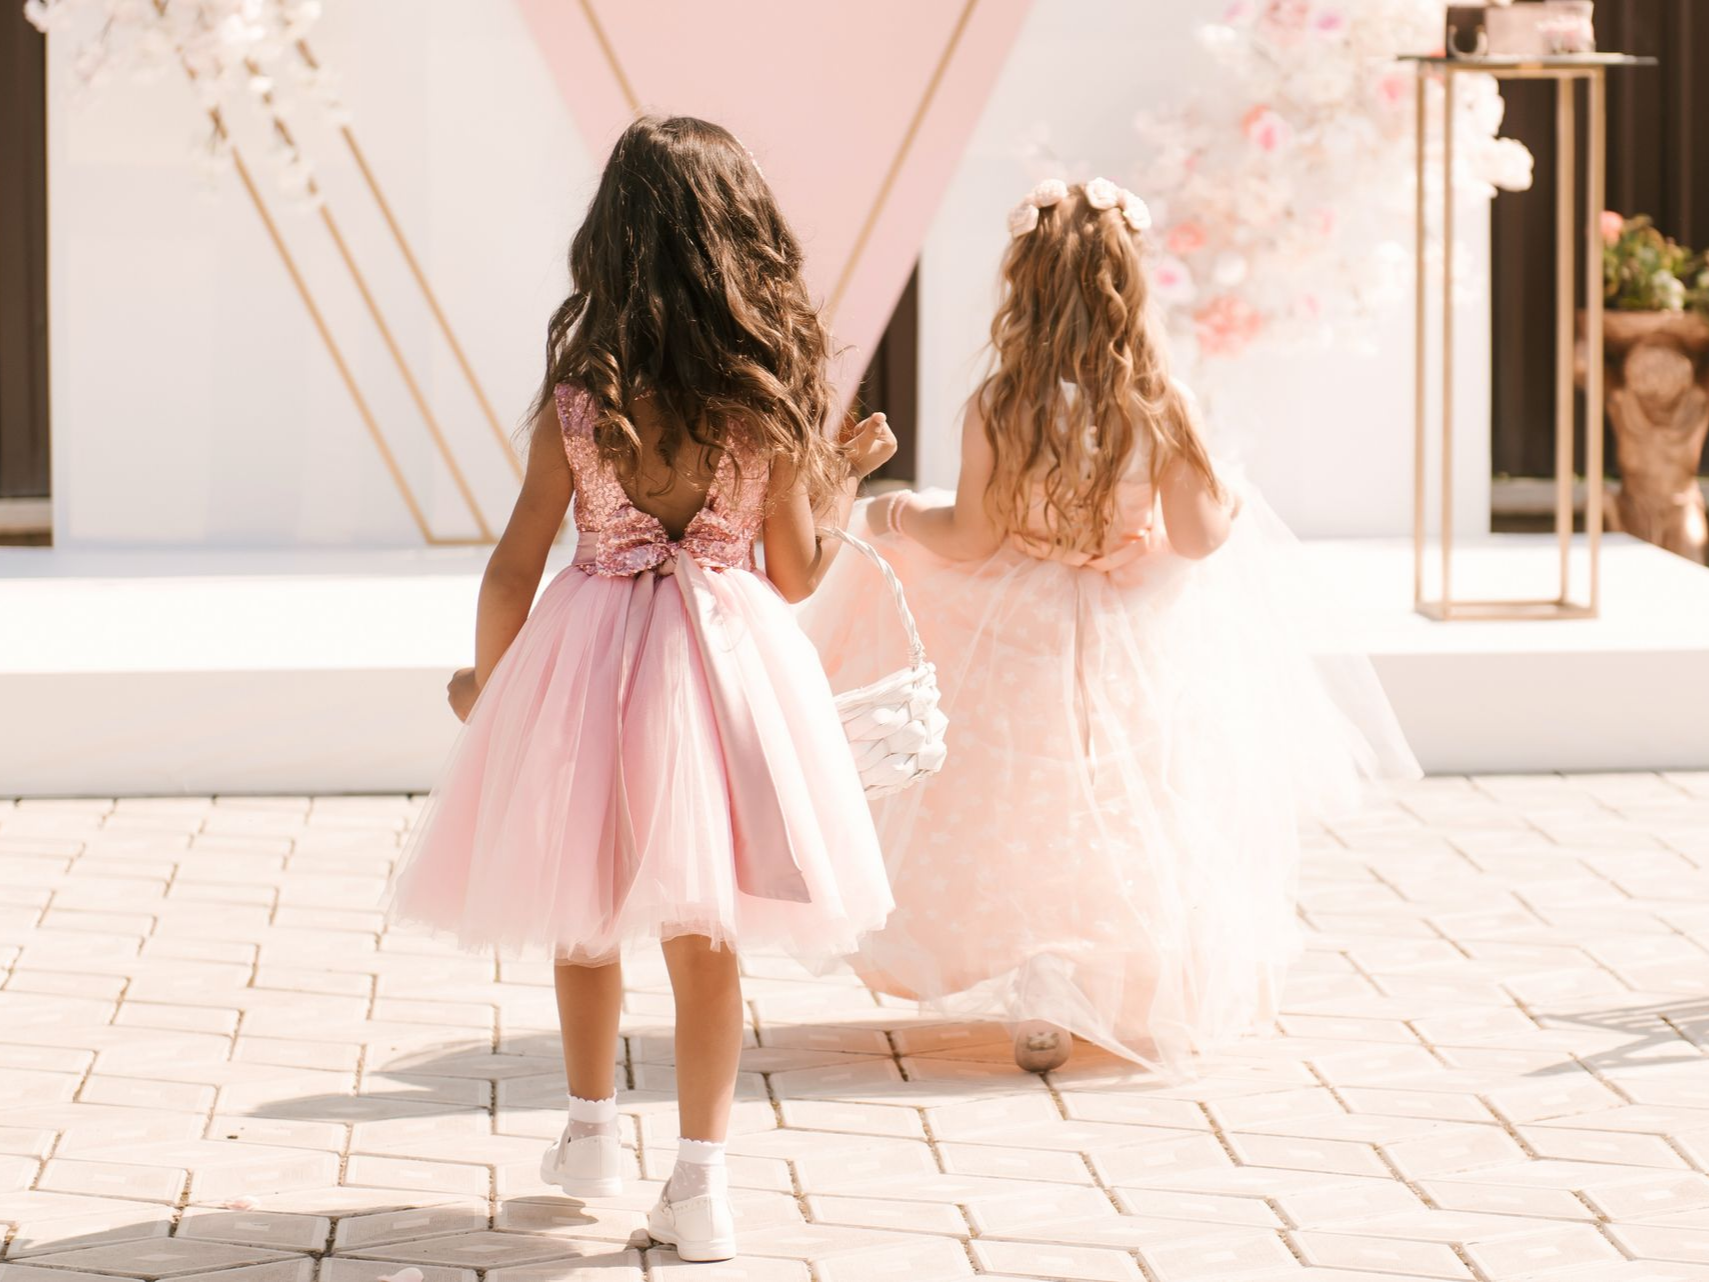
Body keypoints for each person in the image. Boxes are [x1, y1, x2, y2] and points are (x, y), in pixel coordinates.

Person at [388, 116, 897, 1263]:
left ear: (614, 239)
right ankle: (703, 1181)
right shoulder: (762, 395)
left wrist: (490, 687)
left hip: (589, 658)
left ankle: (585, 1131)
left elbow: (514, 563)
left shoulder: (584, 394)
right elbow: (800, 572)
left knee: (584, 891)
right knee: (703, 921)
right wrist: (843, 479)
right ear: (738, 236)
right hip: (725, 663)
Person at [800, 176, 1417, 1079]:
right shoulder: (1159, 405)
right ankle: (1104, 981)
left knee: (1021, 802)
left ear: (1025, 284)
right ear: (1131, 285)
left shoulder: (1001, 404)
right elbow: (1202, 538)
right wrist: (1217, 501)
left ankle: (1039, 992)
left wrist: (897, 518)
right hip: (1133, 627)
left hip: (1015, 629)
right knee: (1137, 800)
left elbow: (972, 538)